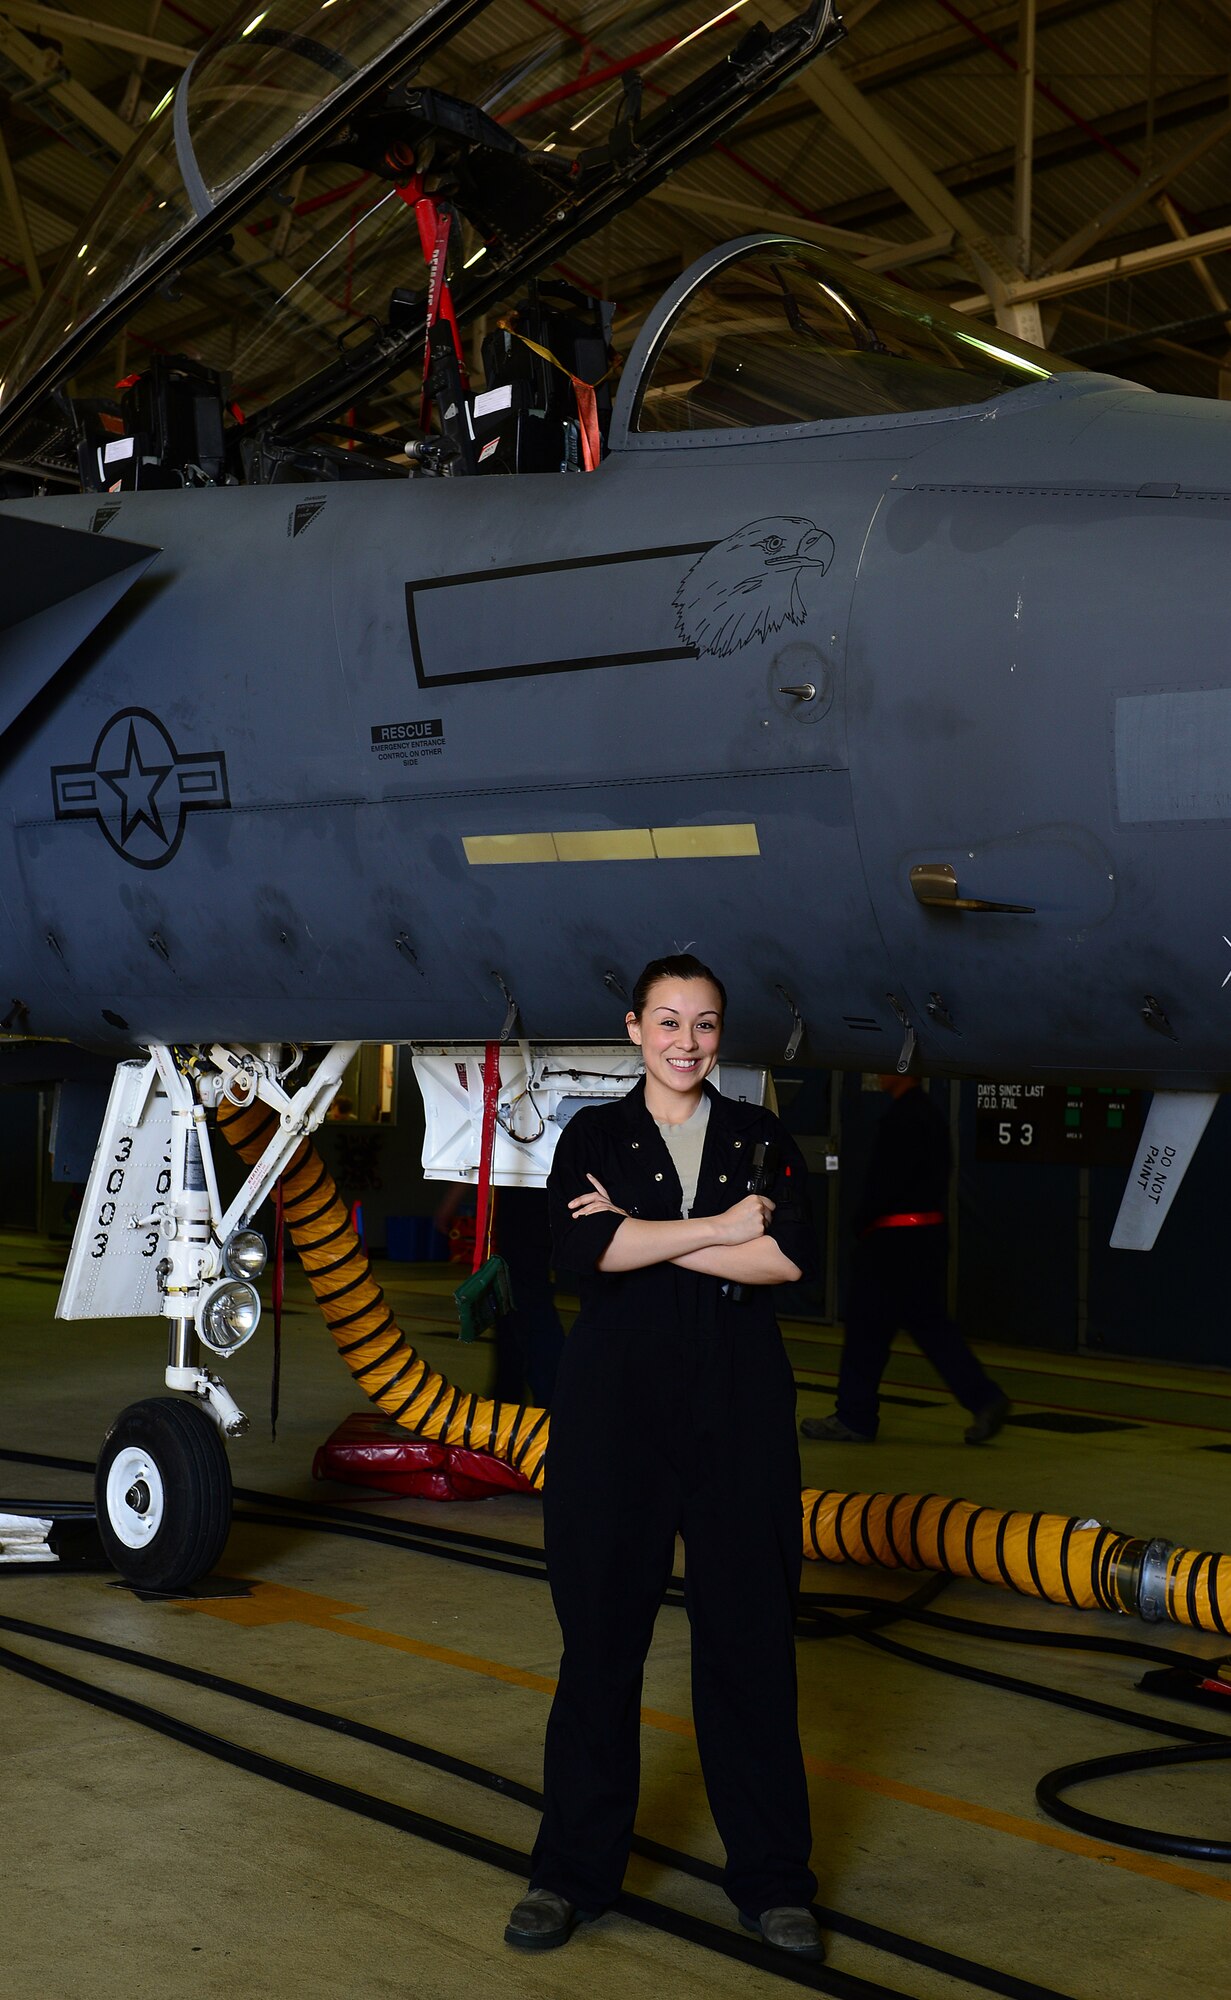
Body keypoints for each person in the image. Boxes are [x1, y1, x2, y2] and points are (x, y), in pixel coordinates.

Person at [504, 954, 823, 1962]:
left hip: (740, 1416)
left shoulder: (758, 1135)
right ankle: (569, 1874)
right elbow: (577, 1254)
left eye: (707, 1024)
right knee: (599, 1647)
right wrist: (719, 1227)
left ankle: (773, 1882)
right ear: (634, 1026)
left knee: (750, 1651)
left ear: (721, 1036)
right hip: (615, 1419)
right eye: (669, 1021)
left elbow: (784, 1259)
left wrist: (648, 1233)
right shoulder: (592, 1133)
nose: (687, 1041)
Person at [801, 1074, 1009, 1446]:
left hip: (891, 1245)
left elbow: (885, 1182)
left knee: (866, 1329)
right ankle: (985, 1398)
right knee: (932, 1327)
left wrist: (862, 1223)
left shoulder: (903, 1118)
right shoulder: (930, 1115)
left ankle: (855, 1417)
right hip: (924, 1240)